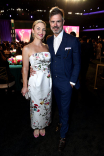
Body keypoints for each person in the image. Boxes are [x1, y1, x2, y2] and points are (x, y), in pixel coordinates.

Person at [30, 7, 80, 152]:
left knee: (65, 109)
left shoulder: (72, 40)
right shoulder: (48, 41)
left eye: (58, 21)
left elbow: (77, 63)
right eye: (53, 22)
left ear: (63, 22)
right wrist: (34, 68)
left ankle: (63, 135)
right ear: (50, 23)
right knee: (58, 107)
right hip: (51, 84)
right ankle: (61, 122)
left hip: (66, 84)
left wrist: (71, 83)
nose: (55, 24)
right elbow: (43, 60)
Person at [21, 20, 52, 138]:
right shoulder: (27, 48)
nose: (41, 32)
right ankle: (36, 126)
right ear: (33, 30)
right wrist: (24, 86)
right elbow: (25, 69)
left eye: (43, 29)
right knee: (36, 105)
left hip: (47, 81)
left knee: (46, 104)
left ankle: (43, 125)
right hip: (35, 81)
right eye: (38, 28)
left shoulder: (48, 47)